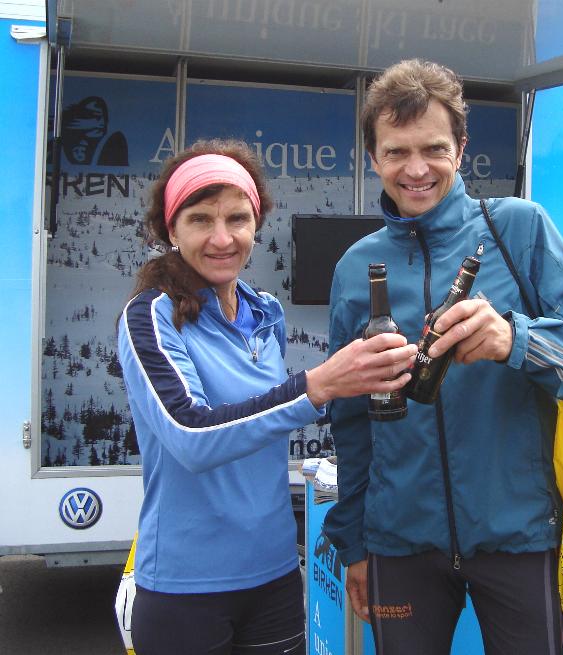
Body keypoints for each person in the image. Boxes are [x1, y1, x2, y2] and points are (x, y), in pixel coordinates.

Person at [322, 59, 563, 655]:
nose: (416, 169)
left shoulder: (518, 229)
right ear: (373, 158)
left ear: (461, 149)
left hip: (520, 538)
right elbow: (350, 420)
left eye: (434, 149)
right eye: (396, 152)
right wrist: (354, 542)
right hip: (399, 545)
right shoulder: (356, 267)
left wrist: (518, 341)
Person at [117, 138, 417, 655]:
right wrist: (315, 386)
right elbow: (191, 435)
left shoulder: (265, 313)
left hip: (274, 575)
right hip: (186, 587)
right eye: (200, 220)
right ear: (171, 230)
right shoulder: (151, 315)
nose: (222, 238)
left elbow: (265, 421)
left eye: (237, 218)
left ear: (256, 224)